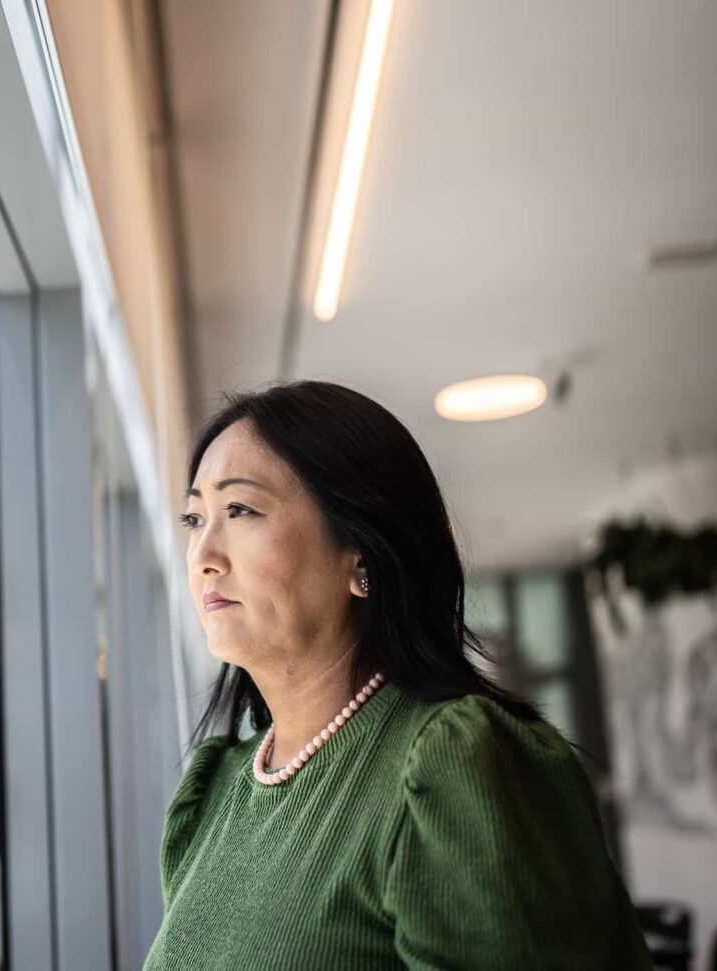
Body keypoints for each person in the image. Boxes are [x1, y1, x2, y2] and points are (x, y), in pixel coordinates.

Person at [142, 380, 654, 970]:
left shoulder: (453, 765)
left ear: (360, 553)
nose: (204, 553)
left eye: (240, 510)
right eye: (193, 517)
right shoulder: (213, 794)